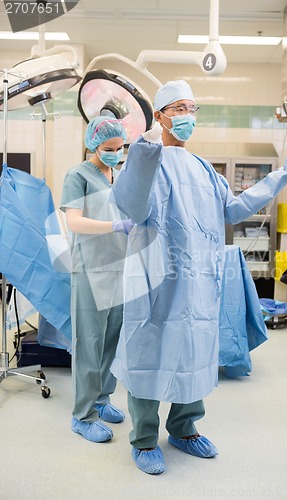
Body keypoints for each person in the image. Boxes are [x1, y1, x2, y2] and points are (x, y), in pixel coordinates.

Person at [110, 80, 287, 473]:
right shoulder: (146, 160)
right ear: (161, 115)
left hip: (197, 281)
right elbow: (129, 202)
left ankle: (184, 428)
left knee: (194, 352)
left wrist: (279, 177)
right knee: (149, 351)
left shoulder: (202, 169)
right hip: (155, 281)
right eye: (179, 108)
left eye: (193, 109)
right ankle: (145, 438)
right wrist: (143, 154)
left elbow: (233, 209)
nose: (187, 116)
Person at [61, 116, 134, 443]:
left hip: (118, 267)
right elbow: (75, 222)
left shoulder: (115, 175)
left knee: (111, 341)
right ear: (93, 144)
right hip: (91, 269)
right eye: (109, 149)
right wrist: (116, 227)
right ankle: (83, 415)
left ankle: (102, 399)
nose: (115, 154)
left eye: (120, 149)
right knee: (89, 343)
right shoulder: (77, 176)